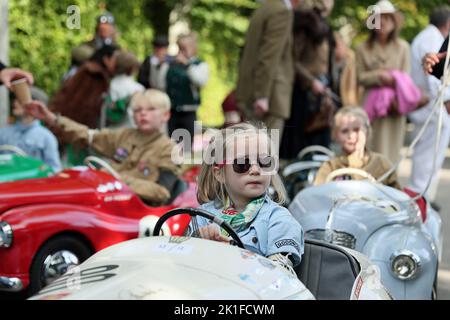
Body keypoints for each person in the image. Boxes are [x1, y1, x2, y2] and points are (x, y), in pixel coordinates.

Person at [26, 89, 181, 205]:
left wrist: (118, 180)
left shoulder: (169, 149)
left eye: (151, 109)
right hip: (105, 199)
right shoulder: (124, 135)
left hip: (135, 209)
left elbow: (162, 192)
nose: (143, 114)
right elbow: (87, 136)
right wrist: (52, 119)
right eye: (138, 110)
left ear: (166, 115)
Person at [191, 122, 304, 275]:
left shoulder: (279, 219)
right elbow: (184, 263)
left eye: (265, 162)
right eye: (242, 164)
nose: (256, 170)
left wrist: (232, 254)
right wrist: (199, 243)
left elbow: (279, 274)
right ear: (220, 173)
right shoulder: (202, 215)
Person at [235, 0, 302, 138]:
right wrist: (262, 95)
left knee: (254, 152)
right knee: (267, 154)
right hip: (271, 97)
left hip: (255, 90)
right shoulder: (281, 11)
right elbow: (269, 56)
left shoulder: (265, 8)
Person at [355, 0, 411, 164]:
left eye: (387, 18)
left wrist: (393, 79)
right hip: (370, 107)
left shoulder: (403, 48)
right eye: (379, 18)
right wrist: (380, 76)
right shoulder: (362, 48)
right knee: (369, 150)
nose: (383, 22)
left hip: (394, 107)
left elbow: (406, 78)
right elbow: (360, 77)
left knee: (390, 155)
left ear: (394, 22)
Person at [280, 0, 337, 159]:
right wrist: (311, 81)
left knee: (319, 147)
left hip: (321, 92)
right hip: (302, 93)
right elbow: (292, 60)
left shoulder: (324, 24)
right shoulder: (304, 22)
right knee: (298, 146)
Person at [406, 6, 450, 203]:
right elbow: (435, 75)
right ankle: (420, 203)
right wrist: (447, 100)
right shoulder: (433, 38)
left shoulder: (427, 36)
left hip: (431, 108)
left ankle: (423, 201)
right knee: (426, 162)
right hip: (432, 109)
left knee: (428, 161)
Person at [314, 106, 400, 188]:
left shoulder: (382, 164)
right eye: (344, 131)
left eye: (356, 130)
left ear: (367, 132)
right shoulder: (330, 167)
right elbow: (318, 196)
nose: (351, 136)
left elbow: (397, 196)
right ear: (336, 135)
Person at [49, 44, 120, 129]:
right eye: (116, 60)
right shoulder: (93, 74)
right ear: (106, 59)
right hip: (70, 127)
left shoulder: (98, 74)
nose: (118, 64)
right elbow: (77, 105)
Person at [0, 87, 61, 172]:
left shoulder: (46, 137)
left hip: (33, 184)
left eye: (19, 100)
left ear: (34, 106)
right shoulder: (3, 133)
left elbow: (54, 169)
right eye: (15, 99)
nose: (14, 103)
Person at [165, 33, 209, 143]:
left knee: (187, 147)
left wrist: (187, 64)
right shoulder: (172, 64)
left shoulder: (200, 64)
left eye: (184, 48)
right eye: (180, 47)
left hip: (189, 111)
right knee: (172, 145)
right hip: (172, 110)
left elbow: (201, 81)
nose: (182, 51)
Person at [103, 50, 144, 128]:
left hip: (110, 130)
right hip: (129, 131)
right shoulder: (138, 88)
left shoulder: (109, 84)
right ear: (133, 68)